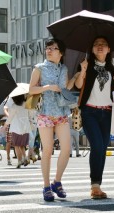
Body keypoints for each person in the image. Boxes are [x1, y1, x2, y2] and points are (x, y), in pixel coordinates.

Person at [75, 36, 114, 199]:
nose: (100, 47)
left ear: (109, 49)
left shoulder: (113, 70)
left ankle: (97, 185)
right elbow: (78, 86)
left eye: (103, 44)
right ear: (92, 49)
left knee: (102, 148)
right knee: (96, 146)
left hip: (107, 113)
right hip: (89, 112)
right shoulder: (86, 65)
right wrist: (82, 72)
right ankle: (94, 186)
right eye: (96, 44)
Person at [29, 38, 72, 202]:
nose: (49, 50)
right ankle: (46, 186)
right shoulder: (39, 68)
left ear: (60, 53)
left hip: (61, 112)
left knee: (66, 149)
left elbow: (66, 88)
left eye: (54, 48)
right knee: (47, 151)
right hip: (45, 113)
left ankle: (57, 181)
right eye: (48, 48)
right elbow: (31, 89)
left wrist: (79, 74)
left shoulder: (64, 68)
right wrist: (47, 87)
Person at [4, 94, 31, 168]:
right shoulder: (26, 104)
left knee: (16, 145)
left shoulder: (14, 106)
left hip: (16, 127)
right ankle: (25, 158)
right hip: (25, 127)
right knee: (22, 145)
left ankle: (19, 161)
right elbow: (30, 115)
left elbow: (10, 118)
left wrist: (5, 126)